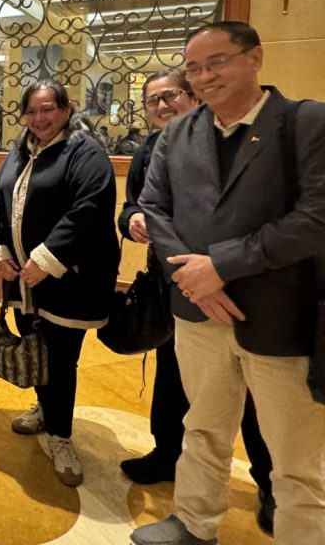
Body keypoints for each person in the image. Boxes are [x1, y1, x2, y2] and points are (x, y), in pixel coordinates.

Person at [131, 21, 325, 545]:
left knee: (297, 460)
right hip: (197, 310)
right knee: (203, 427)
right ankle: (195, 523)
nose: (204, 76)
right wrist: (194, 279)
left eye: (216, 62)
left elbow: (316, 218)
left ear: (254, 57)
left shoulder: (306, 123)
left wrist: (220, 266)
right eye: (194, 67)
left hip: (280, 318)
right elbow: (154, 208)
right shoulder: (178, 133)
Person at [117, 69, 276, 530]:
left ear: (192, 96)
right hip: (172, 285)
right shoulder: (149, 148)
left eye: (169, 96)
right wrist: (132, 220)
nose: (161, 107)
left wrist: (217, 269)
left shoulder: (234, 141)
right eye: (151, 101)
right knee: (173, 376)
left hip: (237, 286)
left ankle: (269, 483)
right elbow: (135, 207)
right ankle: (166, 453)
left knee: (253, 394)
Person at [0, 80, 118, 487]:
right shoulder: (20, 150)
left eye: (48, 109)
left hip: (67, 279)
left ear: (66, 109)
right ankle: (45, 409)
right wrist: (0, 251)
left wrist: (46, 260)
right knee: (36, 348)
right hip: (24, 281)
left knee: (60, 359)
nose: (39, 118)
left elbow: (89, 210)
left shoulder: (85, 151)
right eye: (31, 111)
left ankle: (61, 436)